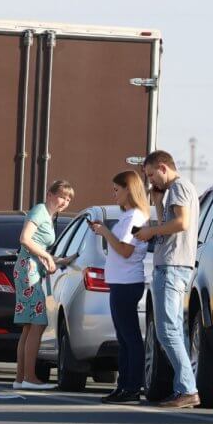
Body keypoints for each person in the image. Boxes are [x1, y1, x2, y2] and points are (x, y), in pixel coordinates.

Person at [135, 150, 201, 408]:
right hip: (172, 264)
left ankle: (187, 389)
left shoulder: (179, 187)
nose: (151, 181)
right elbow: (169, 222)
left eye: (152, 175)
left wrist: (150, 230)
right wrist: (158, 202)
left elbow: (181, 223)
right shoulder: (174, 191)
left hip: (172, 265)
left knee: (167, 330)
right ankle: (183, 387)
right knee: (173, 329)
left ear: (163, 167)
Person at [88, 171, 151, 404]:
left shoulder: (134, 216)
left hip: (126, 282)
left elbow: (126, 250)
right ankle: (124, 385)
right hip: (121, 282)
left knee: (130, 337)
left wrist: (104, 231)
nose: (114, 195)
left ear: (129, 189)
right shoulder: (131, 216)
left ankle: (132, 386)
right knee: (124, 338)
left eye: (117, 190)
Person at [13, 179, 74, 391]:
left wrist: (59, 260)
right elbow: (25, 239)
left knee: (29, 326)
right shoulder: (39, 211)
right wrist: (48, 257)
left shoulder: (48, 216)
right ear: (49, 194)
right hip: (28, 270)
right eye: (61, 196)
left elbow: (36, 246)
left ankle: (21, 378)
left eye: (68, 199)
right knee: (37, 324)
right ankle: (29, 377)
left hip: (29, 268)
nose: (64, 202)